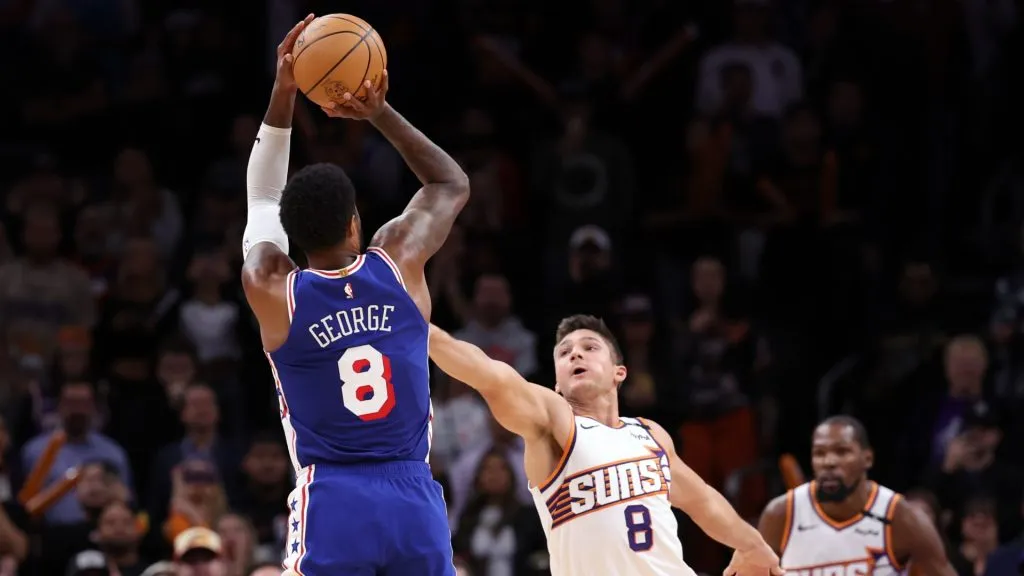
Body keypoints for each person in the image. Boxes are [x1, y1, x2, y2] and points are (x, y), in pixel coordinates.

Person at [240, 16, 469, 576]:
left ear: (294, 237)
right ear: (354, 223)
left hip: (334, 498)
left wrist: (284, 90)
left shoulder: (274, 287)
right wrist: (377, 111)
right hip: (413, 496)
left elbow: (263, 196)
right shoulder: (399, 262)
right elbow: (449, 184)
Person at [429, 315, 781, 575]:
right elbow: (491, 376)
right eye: (564, 352)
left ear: (619, 372)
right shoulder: (555, 424)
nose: (575, 355)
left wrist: (752, 545)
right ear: (557, 384)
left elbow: (702, 501)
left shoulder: (650, 433)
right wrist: (420, 331)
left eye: (589, 348)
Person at [758, 416, 956, 575]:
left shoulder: (900, 517)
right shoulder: (781, 515)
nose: (829, 462)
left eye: (842, 452)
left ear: (867, 458)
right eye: (820, 453)